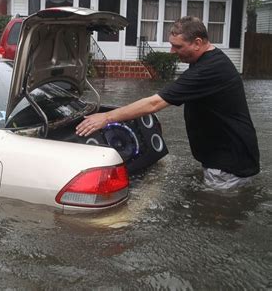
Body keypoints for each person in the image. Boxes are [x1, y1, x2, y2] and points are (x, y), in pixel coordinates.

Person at [76, 16, 260, 190]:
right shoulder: (208, 60)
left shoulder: (209, 70)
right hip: (228, 157)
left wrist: (107, 117)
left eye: (177, 46)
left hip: (228, 167)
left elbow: (154, 104)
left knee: (217, 212)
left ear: (197, 43)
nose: (172, 51)